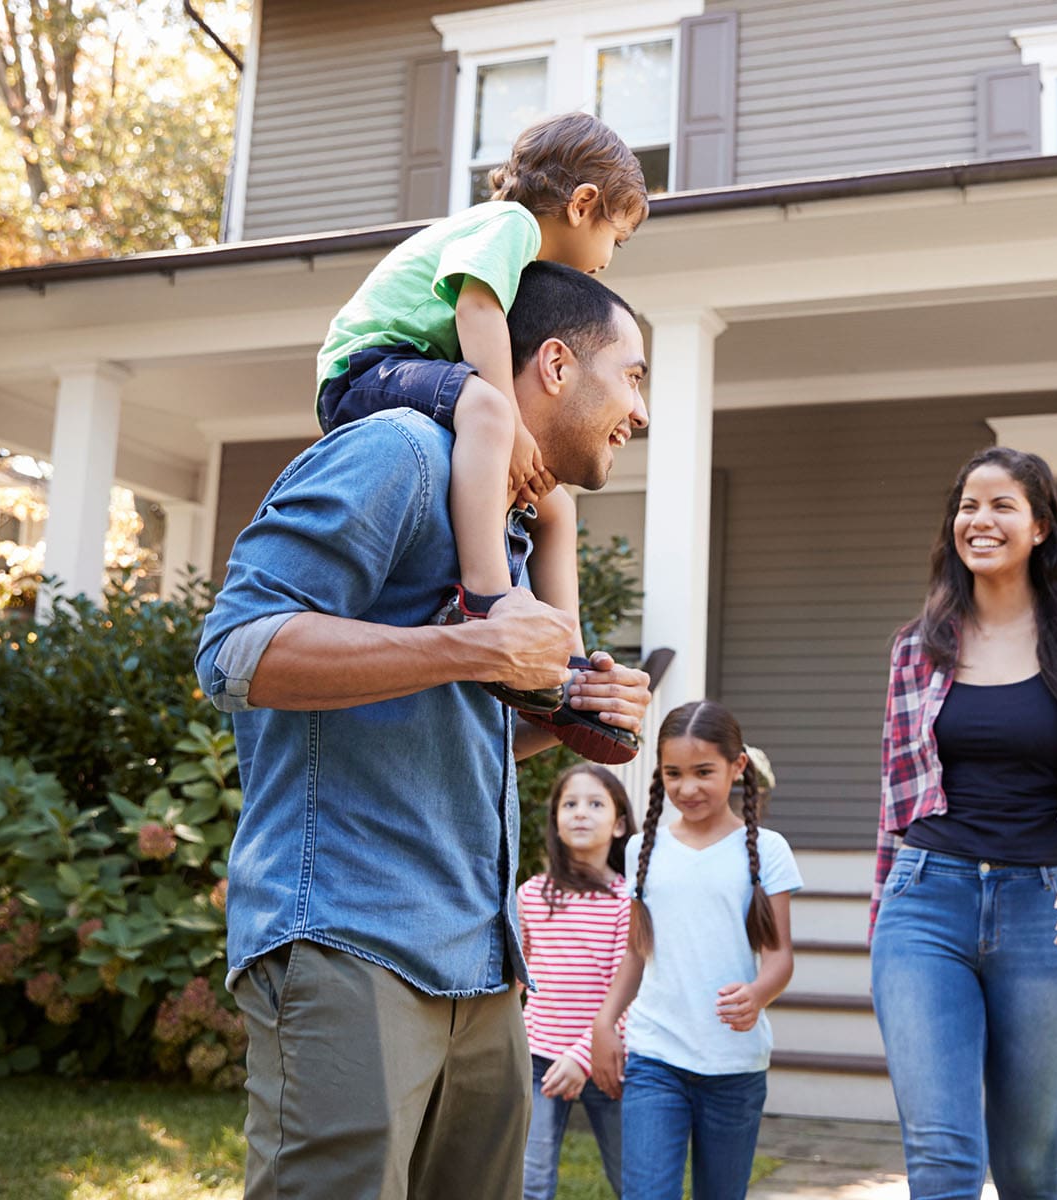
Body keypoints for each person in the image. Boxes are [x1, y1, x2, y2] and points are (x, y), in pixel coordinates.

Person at [196, 261, 654, 1200]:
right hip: (349, 939)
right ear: (557, 365)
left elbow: (449, 717)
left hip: (482, 967)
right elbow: (236, 653)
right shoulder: (400, 451)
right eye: (634, 375)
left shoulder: (511, 525)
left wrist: (568, 721)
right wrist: (473, 650)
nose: (642, 413)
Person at [315, 110, 649, 762]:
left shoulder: (516, 251)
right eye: (618, 238)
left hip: (409, 371)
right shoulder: (508, 226)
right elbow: (475, 310)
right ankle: (488, 597)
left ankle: (570, 666)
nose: (609, 259)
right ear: (583, 205)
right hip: (367, 365)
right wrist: (511, 420)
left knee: (555, 503)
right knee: (489, 412)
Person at [869, 446, 1057, 1200]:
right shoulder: (914, 652)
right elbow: (895, 808)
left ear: (1041, 527)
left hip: (1046, 913)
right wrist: (883, 924)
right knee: (944, 1160)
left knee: (1025, 1169)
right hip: (927, 903)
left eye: (1000, 506)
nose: (979, 520)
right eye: (967, 505)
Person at [588, 702, 801, 1200]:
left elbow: (780, 957)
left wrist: (758, 994)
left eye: (704, 772)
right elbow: (637, 953)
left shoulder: (767, 850)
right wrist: (603, 1024)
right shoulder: (645, 848)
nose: (687, 788)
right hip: (655, 1057)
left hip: (733, 1067)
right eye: (673, 773)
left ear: (737, 767)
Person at [519, 764, 635, 1200]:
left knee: (633, 1180)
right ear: (555, 821)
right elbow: (518, 978)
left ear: (619, 823)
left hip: (608, 1059)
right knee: (530, 1183)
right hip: (538, 1059)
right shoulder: (531, 894)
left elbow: (627, 993)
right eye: (569, 804)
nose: (580, 813)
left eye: (595, 804)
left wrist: (583, 1057)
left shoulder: (629, 900)